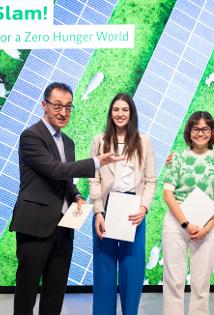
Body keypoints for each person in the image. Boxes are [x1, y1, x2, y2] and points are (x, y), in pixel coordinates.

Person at [10, 82, 121, 315]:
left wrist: (77, 196)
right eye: (58, 106)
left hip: (64, 226)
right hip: (35, 225)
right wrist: (96, 162)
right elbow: (55, 170)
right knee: (27, 291)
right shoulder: (31, 136)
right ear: (44, 105)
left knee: (55, 291)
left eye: (69, 107)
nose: (63, 112)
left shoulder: (68, 142)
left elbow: (65, 180)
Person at [90, 93, 156, 314]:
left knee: (132, 269)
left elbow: (150, 180)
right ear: (111, 113)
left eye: (124, 109)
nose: (120, 114)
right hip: (106, 209)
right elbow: (94, 178)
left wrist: (143, 208)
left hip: (133, 210)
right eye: (116, 109)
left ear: (131, 113)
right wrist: (98, 211)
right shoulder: (99, 141)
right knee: (104, 269)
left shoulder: (143, 141)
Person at [162, 111, 214, 315]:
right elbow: (167, 193)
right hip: (176, 224)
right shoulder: (178, 157)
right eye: (196, 129)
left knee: (201, 283)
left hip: (207, 224)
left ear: (212, 132)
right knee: (174, 280)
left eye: (205, 129)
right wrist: (185, 224)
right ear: (189, 132)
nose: (200, 133)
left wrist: (207, 227)